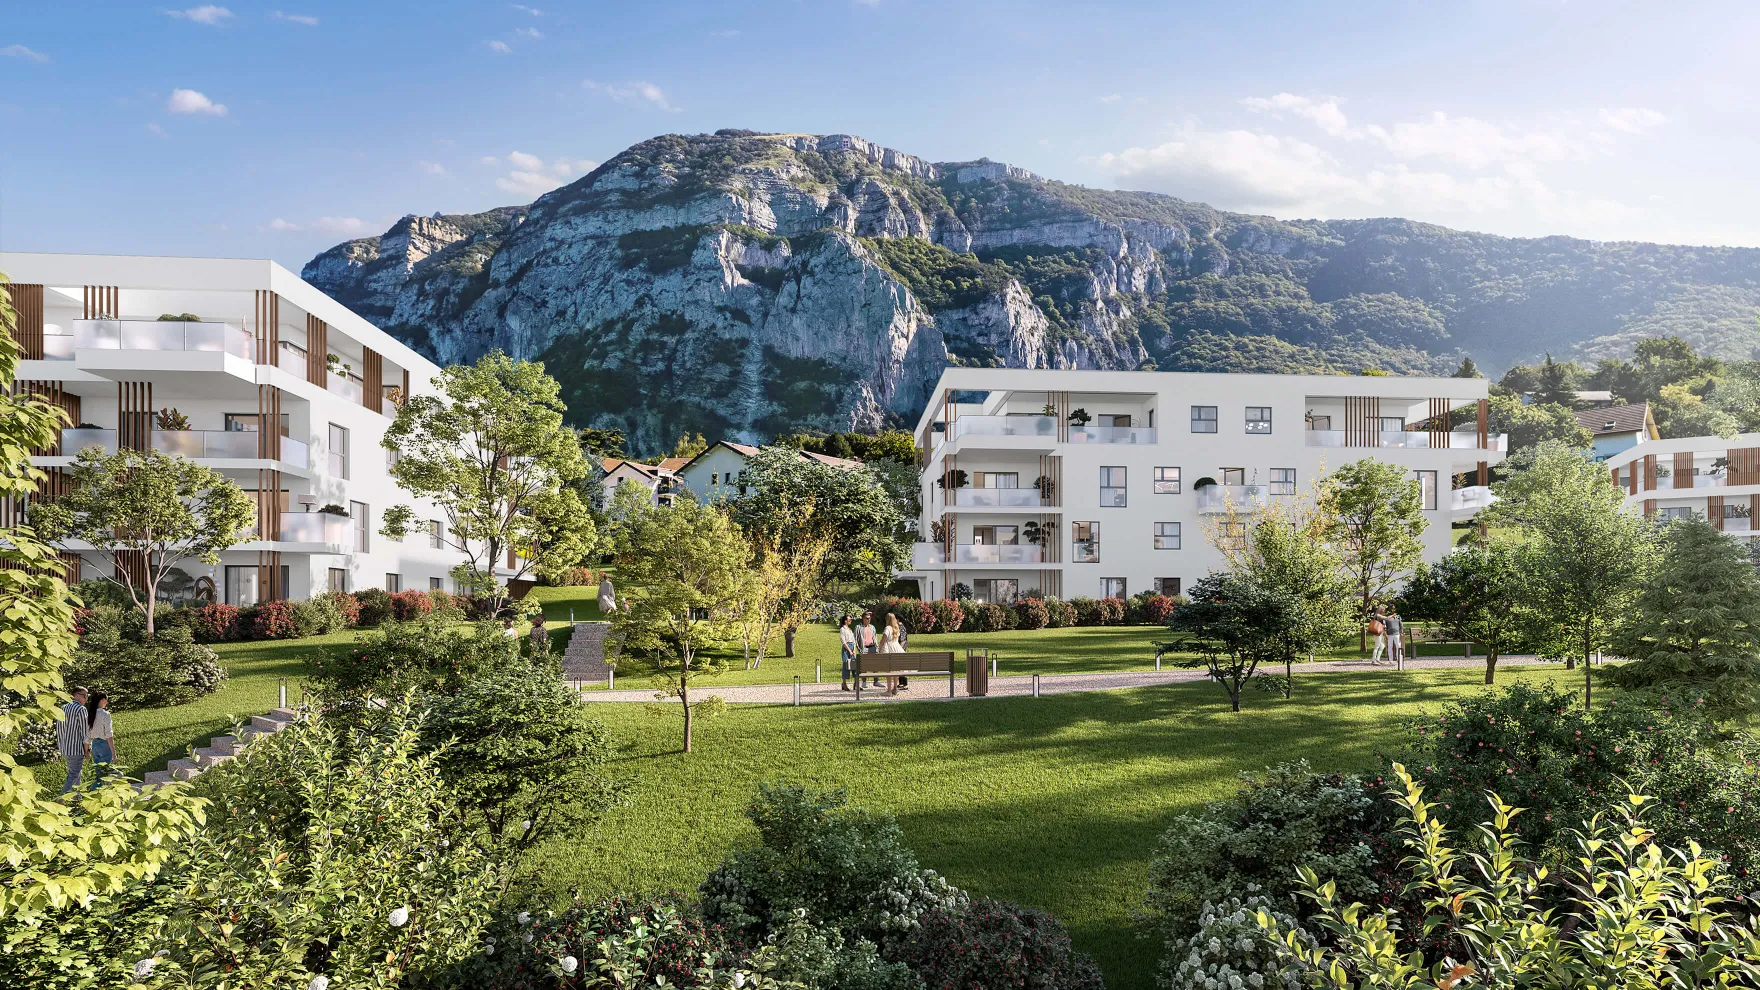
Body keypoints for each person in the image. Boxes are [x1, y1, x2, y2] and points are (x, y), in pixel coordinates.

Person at [57, 685, 89, 794]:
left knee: (76, 774)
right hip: (76, 749)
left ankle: (77, 801)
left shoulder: (63, 708)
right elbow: (85, 733)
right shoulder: (81, 709)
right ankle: (60, 800)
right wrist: (87, 750)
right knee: (74, 775)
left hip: (65, 748)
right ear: (75, 695)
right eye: (84, 696)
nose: (86, 699)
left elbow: (59, 729)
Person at [86, 691, 116, 784]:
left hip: (95, 745)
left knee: (98, 772)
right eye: (106, 700)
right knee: (106, 773)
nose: (107, 703)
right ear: (103, 700)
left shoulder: (89, 714)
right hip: (105, 746)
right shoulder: (105, 714)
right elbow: (109, 735)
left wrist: (86, 752)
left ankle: (96, 791)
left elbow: (87, 736)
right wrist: (114, 753)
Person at [880, 614, 905, 695]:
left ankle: (889, 691)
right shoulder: (896, 627)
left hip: (889, 650)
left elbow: (883, 640)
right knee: (896, 670)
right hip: (897, 649)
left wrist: (879, 649)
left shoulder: (888, 628)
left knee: (888, 671)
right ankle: (895, 688)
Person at [858, 612, 881, 687]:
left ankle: (876, 681)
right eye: (867, 618)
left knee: (875, 665)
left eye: (870, 618)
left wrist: (877, 648)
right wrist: (859, 649)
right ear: (863, 618)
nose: (869, 620)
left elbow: (875, 637)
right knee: (864, 666)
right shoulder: (858, 627)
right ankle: (864, 682)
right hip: (864, 648)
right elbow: (855, 639)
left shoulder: (872, 627)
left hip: (872, 648)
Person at [838, 616, 857, 692]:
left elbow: (853, 640)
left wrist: (854, 650)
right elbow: (843, 641)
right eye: (849, 619)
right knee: (846, 665)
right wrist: (849, 651)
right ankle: (844, 683)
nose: (851, 620)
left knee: (854, 665)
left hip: (852, 647)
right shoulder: (842, 629)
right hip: (846, 649)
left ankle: (856, 683)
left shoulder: (849, 629)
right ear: (845, 621)